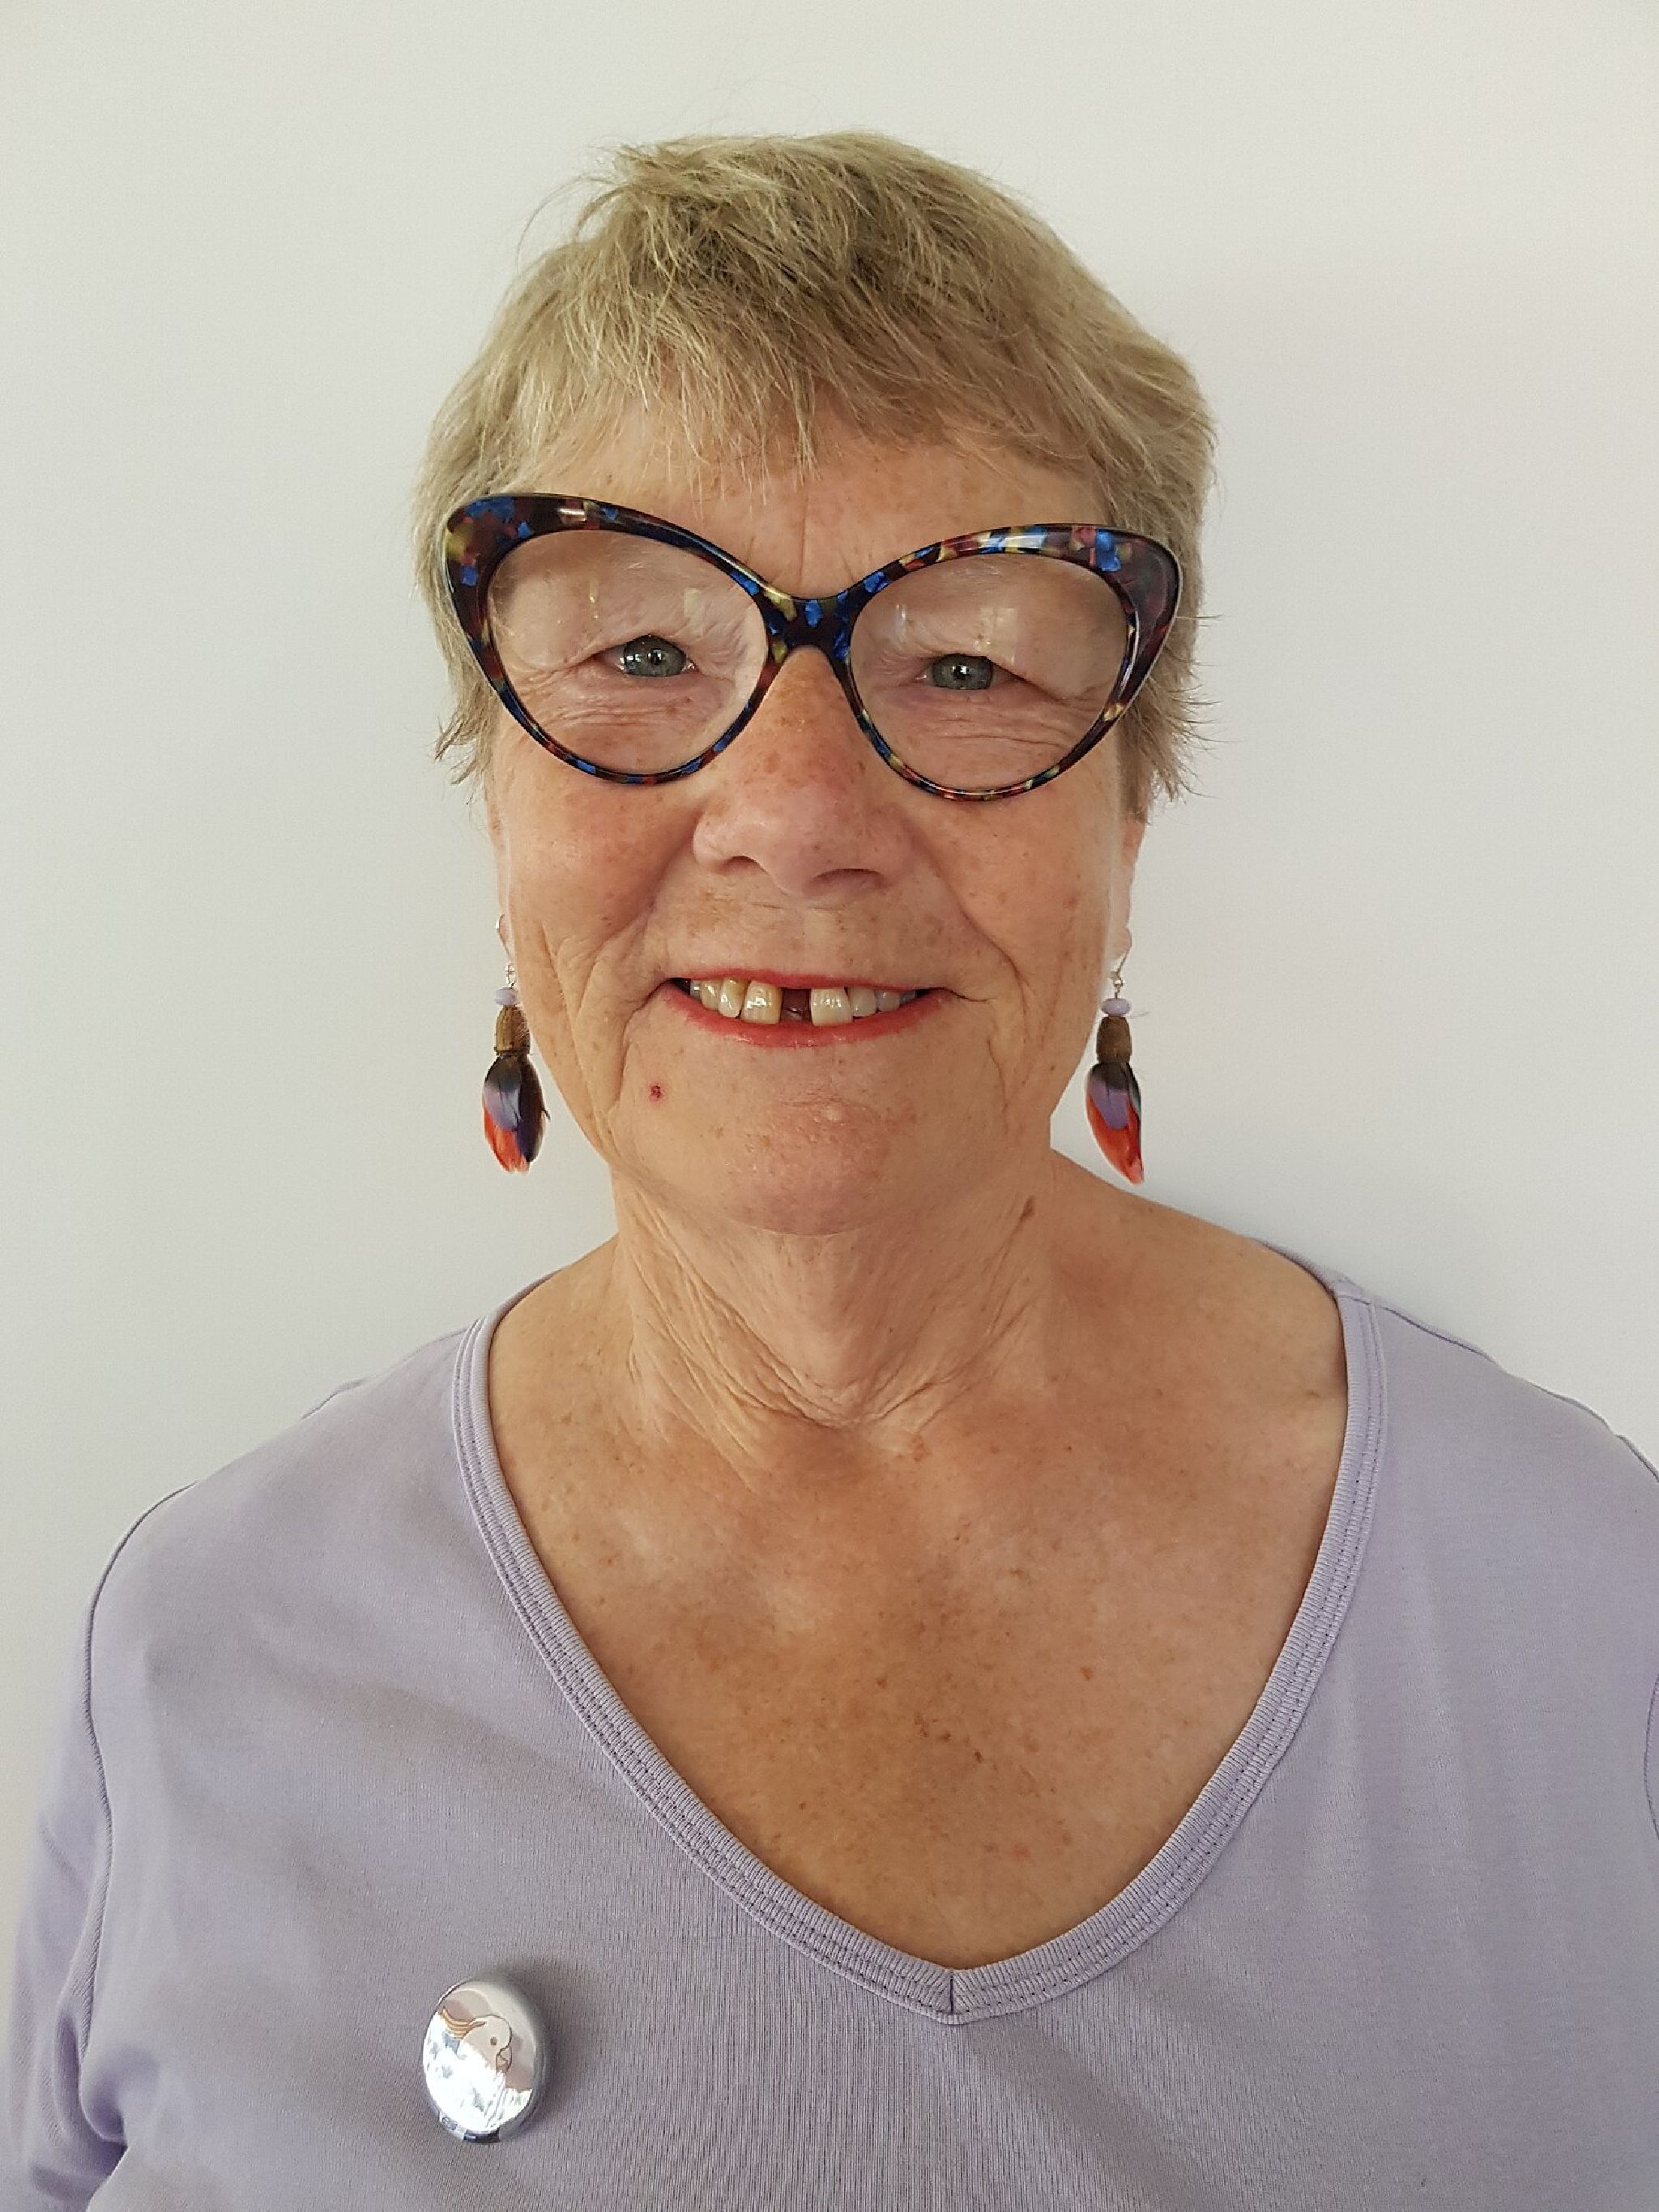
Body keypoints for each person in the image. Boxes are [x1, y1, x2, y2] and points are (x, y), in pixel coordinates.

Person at [4, 130, 1656, 2212]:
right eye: (640, 656)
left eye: (962, 664)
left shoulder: (1578, 1616)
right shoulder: (205, 1652)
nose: (791, 811)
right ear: (493, 805)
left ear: (1129, 816)